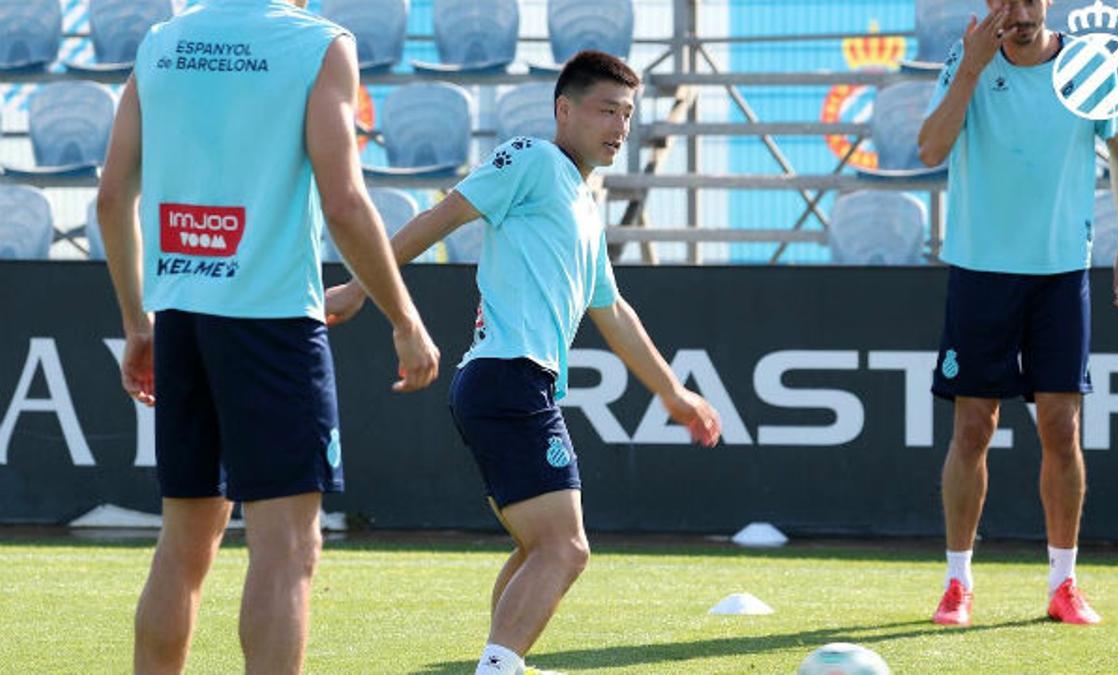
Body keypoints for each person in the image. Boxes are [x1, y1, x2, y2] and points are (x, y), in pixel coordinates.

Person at [324, 50, 723, 674]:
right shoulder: (532, 158)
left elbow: (612, 309)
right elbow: (444, 214)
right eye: (606, 111)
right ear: (564, 110)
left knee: (539, 546)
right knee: (565, 549)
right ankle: (500, 665)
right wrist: (356, 289)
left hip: (512, 383)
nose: (619, 127)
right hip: (507, 377)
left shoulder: (585, 208)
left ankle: (500, 659)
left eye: (627, 115)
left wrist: (672, 394)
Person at [97, 1, 439, 672]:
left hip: (181, 321)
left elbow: (112, 197)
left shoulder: (163, 41)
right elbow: (343, 201)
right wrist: (405, 317)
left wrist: (138, 322)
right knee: (286, 550)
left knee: (183, 546)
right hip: (272, 322)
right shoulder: (317, 44)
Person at [918, 0, 1118, 626]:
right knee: (972, 431)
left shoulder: (1086, 67)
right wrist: (969, 70)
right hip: (980, 273)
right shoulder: (964, 62)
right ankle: (958, 583)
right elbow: (930, 149)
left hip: (1061, 274)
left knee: (1061, 429)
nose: (1018, 11)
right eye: (1004, 0)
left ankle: (1063, 584)